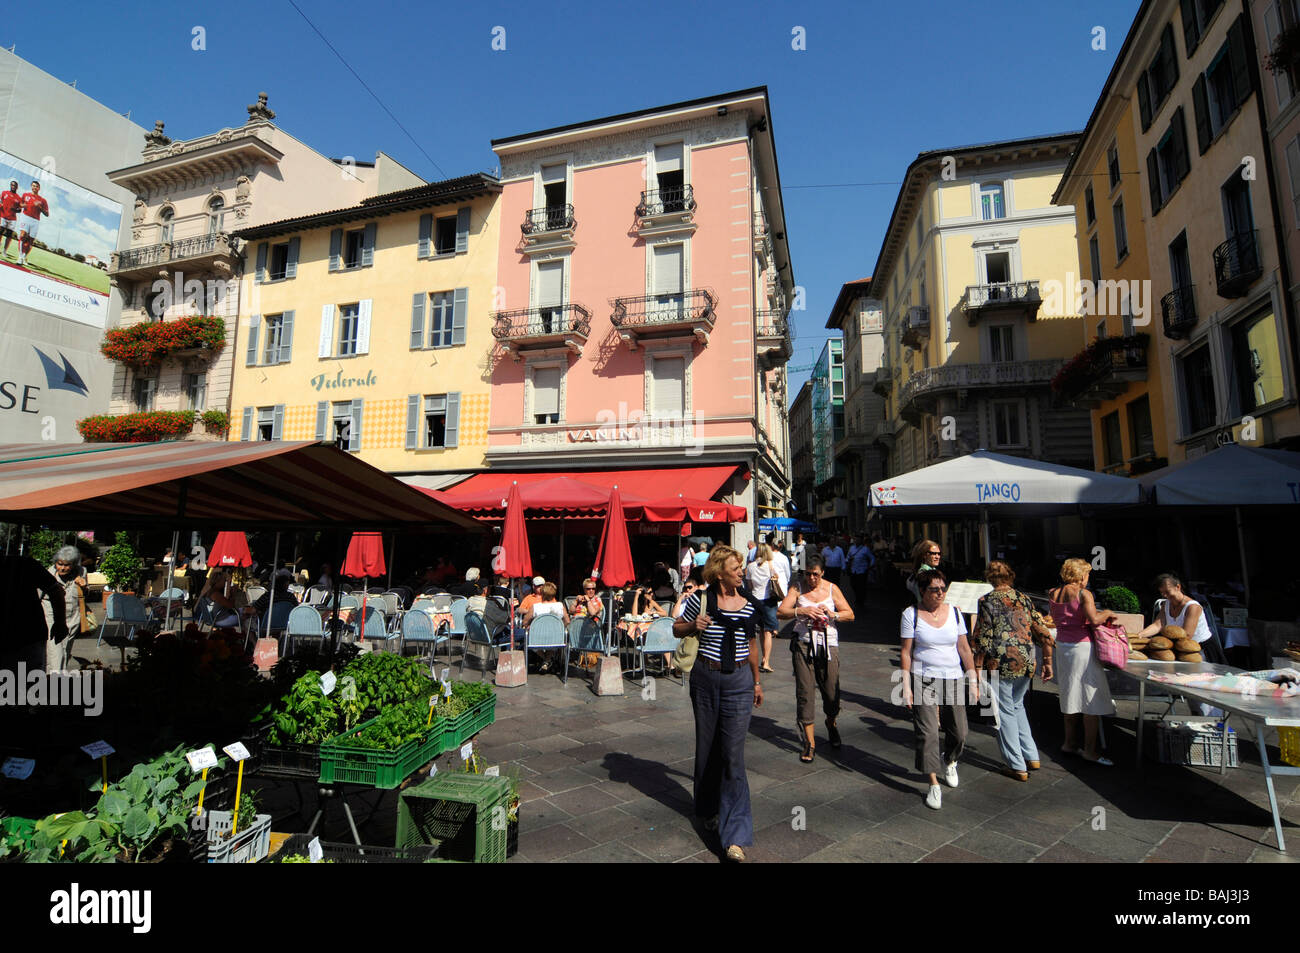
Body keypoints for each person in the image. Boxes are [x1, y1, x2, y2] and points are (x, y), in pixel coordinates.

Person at [673, 544, 763, 862]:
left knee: (732, 756)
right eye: (736, 568)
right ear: (720, 572)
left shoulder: (750, 605)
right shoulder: (701, 599)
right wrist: (691, 626)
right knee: (709, 746)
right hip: (706, 679)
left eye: (741, 567)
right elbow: (676, 628)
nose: (742, 572)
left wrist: (756, 681)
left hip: (738, 682)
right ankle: (708, 809)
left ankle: (735, 836)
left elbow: (751, 644)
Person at [900, 568, 976, 810]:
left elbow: (964, 648)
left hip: (953, 676)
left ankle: (950, 759)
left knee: (960, 731)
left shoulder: (954, 613)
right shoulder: (910, 614)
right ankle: (933, 782)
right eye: (935, 589)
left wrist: (973, 678)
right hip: (924, 677)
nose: (941, 593)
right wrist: (905, 685)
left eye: (943, 588)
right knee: (928, 733)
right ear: (922, 591)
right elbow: (905, 652)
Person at [973, 560, 1052, 781]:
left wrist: (977, 667)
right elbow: (1042, 630)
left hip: (1001, 661)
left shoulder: (987, 601)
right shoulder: (1024, 599)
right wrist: (1047, 661)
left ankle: (1016, 764)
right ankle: (1031, 755)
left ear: (989, 578)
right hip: (1027, 659)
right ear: (1011, 577)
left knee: (1003, 711)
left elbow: (983, 638)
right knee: (1017, 706)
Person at [778, 554, 853, 763]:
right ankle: (810, 742)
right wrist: (801, 610)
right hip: (803, 644)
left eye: (816, 575)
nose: (811, 579)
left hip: (828, 644)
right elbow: (780, 612)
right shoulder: (797, 588)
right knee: (805, 692)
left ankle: (831, 722)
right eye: (808, 574)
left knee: (831, 693)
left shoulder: (831, 588)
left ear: (823, 573)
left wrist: (832, 614)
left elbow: (850, 613)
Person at [1048, 558, 1117, 765]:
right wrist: (1108, 612)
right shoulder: (1083, 593)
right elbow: (1094, 619)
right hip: (1082, 648)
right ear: (1080, 576)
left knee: (1069, 694)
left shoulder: (1052, 593)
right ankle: (1090, 750)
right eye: (1087, 574)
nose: (1088, 579)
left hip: (1063, 647)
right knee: (1090, 699)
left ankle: (1069, 743)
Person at [0, 553, 66, 673]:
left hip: (28, 637)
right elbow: (56, 591)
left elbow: (56, 591)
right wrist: (60, 623)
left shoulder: (25, 564)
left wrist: (60, 623)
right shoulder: (25, 563)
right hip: (30, 637)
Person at [41, 546, 86, 673]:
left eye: (67, 565)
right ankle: (54, 685)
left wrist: (83, 586)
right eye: (59, 564)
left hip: (73, 618)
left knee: (65, 653)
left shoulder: (81, 572)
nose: (62, 568)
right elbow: (37, 597)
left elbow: (83, 598)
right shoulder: (48, 575)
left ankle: (55, 683)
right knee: (56, 655)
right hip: (51, 619)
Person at [745, 542, 784, 673]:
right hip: (768, 600)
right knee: (767, 631)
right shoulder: (770, 565)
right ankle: (766, 660)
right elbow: (775, 582)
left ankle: (758, 658)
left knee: (760, 631)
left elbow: (750, 586)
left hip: (755, 600)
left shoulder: (750, 567)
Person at [522, 582, 571, 674]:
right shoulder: (560, 606)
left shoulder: (535, 607)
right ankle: (547, 660)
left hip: (537, 639)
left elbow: (524, 622)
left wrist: (530, 626)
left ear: (542, 593)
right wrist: (559, 628)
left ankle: (545, 659)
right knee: (553, 641)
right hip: (556, 639)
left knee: (528, 636)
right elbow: (567, 621)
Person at [17, 181, 48, 267]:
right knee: (22, 235)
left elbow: (47, 214)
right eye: (33, 186)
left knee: (30, 241)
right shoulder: (25, 195)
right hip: (25, 217)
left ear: (39, 188)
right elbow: (20, 204)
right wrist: (23, 205)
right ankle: (19, 257)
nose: (35, 187)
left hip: (35, 221)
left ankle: (24, 256)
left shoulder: (43, 200)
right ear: (31, 186)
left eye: (37, 186)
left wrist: (40, 207)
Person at [847, 533, 875, 612]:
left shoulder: (865, 549)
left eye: (858, 539)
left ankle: (861, 600)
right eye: (855, 539)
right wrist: (848, 561)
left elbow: (872, 558)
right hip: (853, 570)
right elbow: (848, 557)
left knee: (861, 586)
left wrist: (870, 566)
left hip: (862, 571)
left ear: (861, 540)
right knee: (853, 585)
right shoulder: (851, 548)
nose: (856, 540)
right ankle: (858, 597)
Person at [0, 180, 21, 257]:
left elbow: (20, 210)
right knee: (0, 232)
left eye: (14, 186)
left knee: (9, 236)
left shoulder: (18, 198)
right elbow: (0, 201)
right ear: (10, 185)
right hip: (3, 216)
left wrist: (15, 210)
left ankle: (4, 251)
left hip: (12, 219)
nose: (13, 187)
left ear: (17, 187)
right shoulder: (4, 193)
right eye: (12, 185)